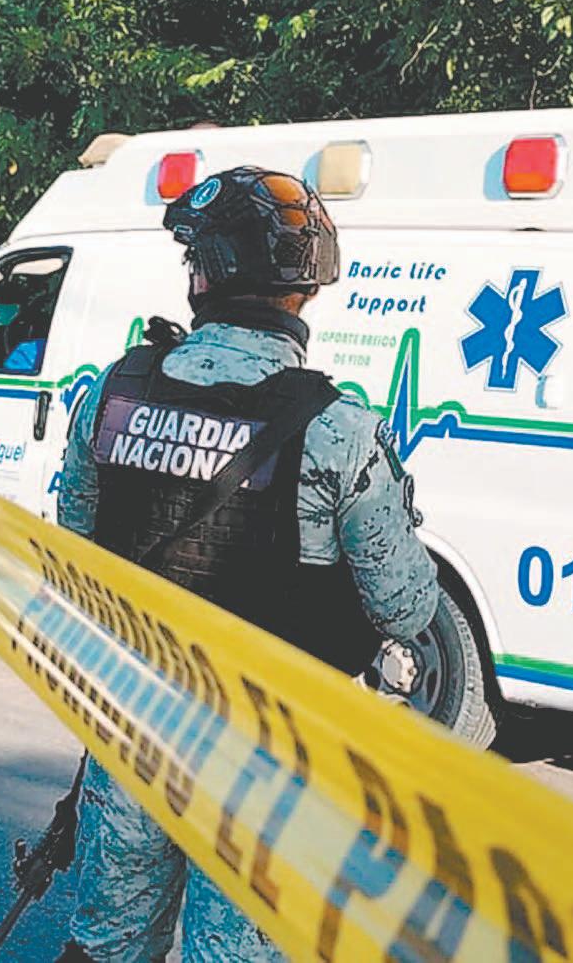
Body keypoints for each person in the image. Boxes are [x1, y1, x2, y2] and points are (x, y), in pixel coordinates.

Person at [54, 167, 438, 962]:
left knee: (107, 947)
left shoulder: (114, 394)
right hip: (269, 767)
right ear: (305, 293)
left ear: (203, 277)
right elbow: (405, 609)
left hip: (133, 726)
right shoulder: (337, 429)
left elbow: (78, 546)